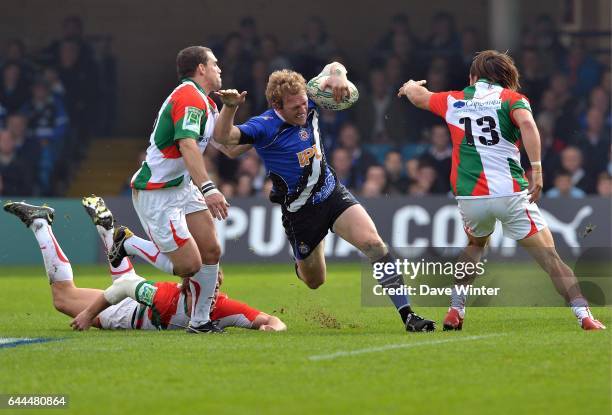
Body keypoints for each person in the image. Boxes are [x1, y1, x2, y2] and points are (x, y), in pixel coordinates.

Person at [211, 62, 435, 332]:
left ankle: (408, 315)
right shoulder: (264, 126)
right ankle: (301, 262)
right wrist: (231, 106)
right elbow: (224, 137)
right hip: (300, 213)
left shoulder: (310, 98)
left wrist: (339, 75)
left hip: (331, 193)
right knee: (315, 280)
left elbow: (333, 66)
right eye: (295, 108)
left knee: (374, 244)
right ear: (277, 106)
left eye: (305, 103)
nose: (304, 110)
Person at [397, 49, 605, 331]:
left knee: (474, 246)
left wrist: (410, 86)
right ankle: (585, 316)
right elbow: (529, 124)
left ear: (473, 77)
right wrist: (539, 171)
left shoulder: (453, 100)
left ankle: (455, 310)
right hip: (510, 194)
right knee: (551, 259)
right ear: (507, 78)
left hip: (471, 197)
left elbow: (419, 97)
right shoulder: (512, 99)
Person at [3, 200, 286, 332]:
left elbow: (272, 320)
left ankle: (108, 229)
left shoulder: (222, 307)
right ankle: (40, 224)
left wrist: (272, 328)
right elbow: (125, 288)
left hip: (136, 300)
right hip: (126, 311)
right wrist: (89, 315)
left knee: (124, 271)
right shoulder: (174, 300)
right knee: (63, 298)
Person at [125, 46, 229, 333]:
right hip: (157, 192)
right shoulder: (188, 96)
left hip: (182, 187)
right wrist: (209, 189)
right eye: (215, 63)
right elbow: (187, 145)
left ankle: (200, 321)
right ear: (201, 69)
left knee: (211, 249)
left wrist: (238, 112)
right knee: (189, 266)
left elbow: (230, 146)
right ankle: (127, 243)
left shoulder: (208, 104)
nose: (219, 68)